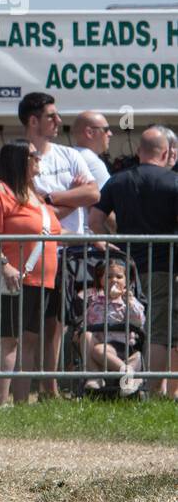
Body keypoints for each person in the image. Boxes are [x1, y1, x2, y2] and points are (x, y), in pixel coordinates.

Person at [18, 92, 99, 398]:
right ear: (33, 120)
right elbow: (29, 207)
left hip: (69, 252)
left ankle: (48, 388)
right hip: (34, 253)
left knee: (57, 324)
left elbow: (93, 194)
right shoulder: (19, 157)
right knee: (30, 328)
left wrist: (51, 200)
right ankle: (26, 392)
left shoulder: (70, 155)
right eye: (51, 116)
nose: (58, 121)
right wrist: (69, 200)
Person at [0, 139, 62, 406]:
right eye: (33, 155)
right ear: (20, 159)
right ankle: (0, 403)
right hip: (12, 277)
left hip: (41, 280)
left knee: (30, 340)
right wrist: (3, 264)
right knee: (8, 338)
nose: (38, 159)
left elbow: (52, 232)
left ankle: (22, 403)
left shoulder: (35, 194)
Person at [89, 125, 178, 399]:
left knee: (137, 329)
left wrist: (113, 247)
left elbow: (94, 221)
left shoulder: (118, 180)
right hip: (164, 267)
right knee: (159, 332)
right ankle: (150, 391)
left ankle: (148, 387)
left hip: (127, 271)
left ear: (139, 151)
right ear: (165, 153)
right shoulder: (173, 182)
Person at [79, 257, 145, 396]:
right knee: (86, 336)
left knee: (135, 356)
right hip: (102, 343)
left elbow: (139, 321)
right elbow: (86, 321)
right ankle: (95, 376)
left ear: (127, 281)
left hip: (123, 346)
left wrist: (130, 301)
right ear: (101, 281)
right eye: (108, 277)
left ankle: (127, 375)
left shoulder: (130, 301)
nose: (114, 280)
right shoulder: (94, 303)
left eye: (119, 277)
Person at [70, 111, 113, 195]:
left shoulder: (67, 156)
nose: (110, 134)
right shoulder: (93, 162)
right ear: (89, 132)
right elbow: (106, 203)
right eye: (106, 129)